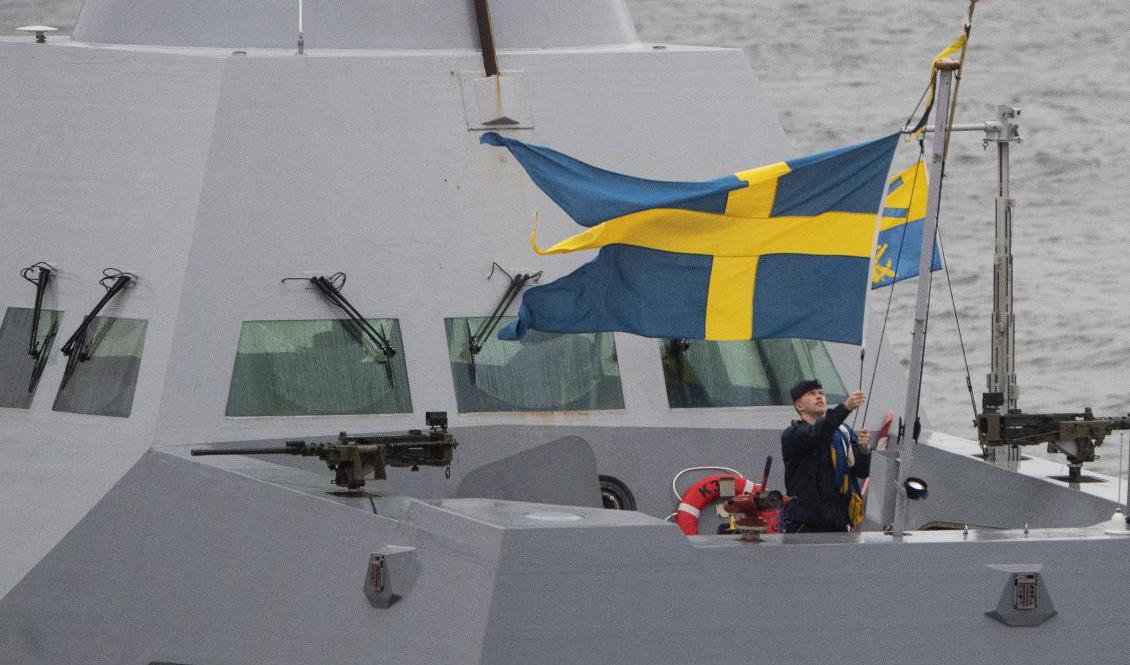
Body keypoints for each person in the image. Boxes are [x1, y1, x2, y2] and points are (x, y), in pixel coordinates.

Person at [779, 380, 871, 533]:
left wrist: (864, 449)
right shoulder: (793, 435)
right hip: (805, 524)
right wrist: (845, 407)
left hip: (838, 521)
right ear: (799, 406)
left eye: (821, 393)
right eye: (811, 394)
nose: (819, 396)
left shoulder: (843, 433)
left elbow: (862, 471)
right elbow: (818, 433)